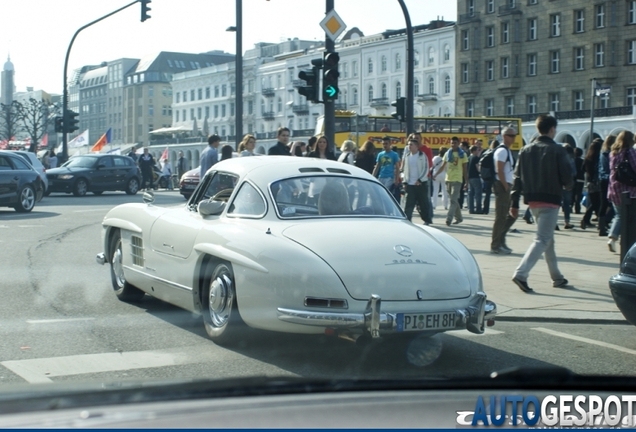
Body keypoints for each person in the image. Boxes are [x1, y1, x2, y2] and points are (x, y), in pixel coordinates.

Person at [510, 115, 573, 293]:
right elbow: (567, 176)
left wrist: (514, 202)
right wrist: (568, 186)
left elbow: (517, 177)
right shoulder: (557, 150)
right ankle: (521, 273)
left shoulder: (525, 150)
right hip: (551, 199)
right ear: (552, 129)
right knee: (542, 239)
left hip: (532, 200)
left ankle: (557, 277)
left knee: (548, 239)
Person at [607, 130, 636, 252]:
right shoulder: (630, 152)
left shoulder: (613, 153)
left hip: (614, 187)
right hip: (628, 188)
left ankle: (613, 238)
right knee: (628, 217)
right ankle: (620, 240)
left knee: (619, 215)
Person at [490, 126, 518, 254]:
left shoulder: (507, 150)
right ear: (504, 136)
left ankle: (501, 240)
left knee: (508, 215)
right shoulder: (502, 151)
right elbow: (499, 169)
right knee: (501, 216)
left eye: (514, 135)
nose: (513, 138)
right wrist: (505, 186)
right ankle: (496, 245)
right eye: (511, 135)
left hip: (506, 184)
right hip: (502, 185)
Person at [432, 137, 468, 226]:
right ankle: (459, 218)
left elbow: (465, 169)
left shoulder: (462, 154)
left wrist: (467, 181)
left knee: (453, 201)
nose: (453, 145)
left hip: (457, 179)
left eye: (455, 143)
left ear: (458, 143)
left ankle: (449, 219)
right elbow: (443, 166)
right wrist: (435, 174)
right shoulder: (448, 153)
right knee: (454, 200)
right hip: (448, 179)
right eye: (452, 143)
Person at [401, 139, 432, 225]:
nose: (409, 146)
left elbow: (426, 168)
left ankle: (427, 220)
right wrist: (405, 182)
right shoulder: (407, 156)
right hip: (410, 185)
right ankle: (407, 220)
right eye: (408, 145)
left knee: (423, 204)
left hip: (421, 184)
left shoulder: (422, 156)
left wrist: (420, 179)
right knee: (409, 204)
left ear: (416, 146)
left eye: (411, 145)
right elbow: (405, 170)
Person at [581, 139, 603, 230]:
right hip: (597, 182)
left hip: (590, 182)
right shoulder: (598, 157)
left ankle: (588, 220)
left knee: (595, 202)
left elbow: (582, 169)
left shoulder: (588, 157)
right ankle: (598, 221)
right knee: (597, 203)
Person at [597, 135, 616, 237]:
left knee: (604, 203)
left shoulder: (602, 153)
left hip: (602, 179)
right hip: (607, 179)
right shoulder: (608, 154)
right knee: (607, 203)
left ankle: (602, 225)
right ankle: (602, 225)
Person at [467, 145, 483, 215]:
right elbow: (477, 167)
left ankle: (471, 209)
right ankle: (478, 209)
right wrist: (480, 172)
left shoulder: (468, 158)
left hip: (469, 177)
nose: (478, 151)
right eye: (477, 150)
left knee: (471, 193)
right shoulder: (475, 158)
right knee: (478, 193)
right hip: (476, 177)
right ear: (474, 151)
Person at [572, 147, 585, 215]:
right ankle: (577, 208)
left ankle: (570, 206)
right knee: (578, 194)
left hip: (573, 179)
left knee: (572, 193)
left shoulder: (572, 160)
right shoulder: (582, 161)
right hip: (581, 179)